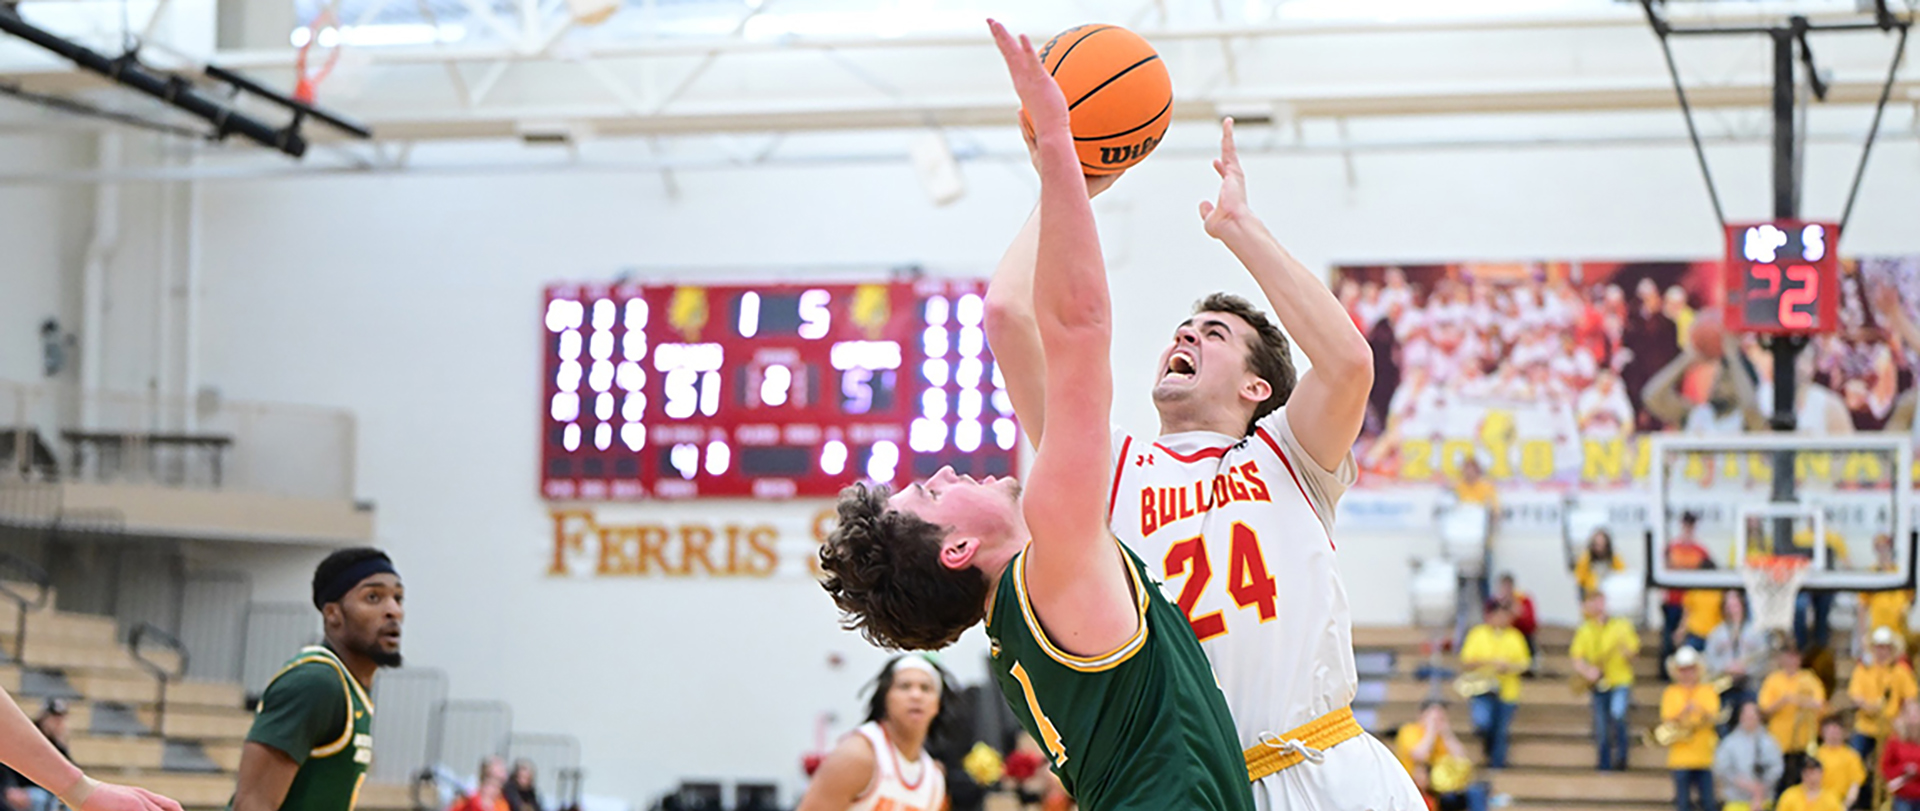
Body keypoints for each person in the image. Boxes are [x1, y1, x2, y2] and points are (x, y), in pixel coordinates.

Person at [817, 22, 1256, 811]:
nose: (945, 471)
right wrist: (1056, 139)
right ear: (956, 545)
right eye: (929, 491)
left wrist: (1076, 182)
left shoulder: (1024, 609)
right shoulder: (1053, 550)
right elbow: (1078, 326)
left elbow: (1008, 313)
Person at [983, 45, 1421, 811]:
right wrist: (1069, 176)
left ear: (1259, 386)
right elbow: (1010, 317)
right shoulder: (1107, 469)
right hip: (1205, 788)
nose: (1184, 336)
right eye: (1182, 328)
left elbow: (1349, 361)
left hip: (1332, 767)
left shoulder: (1290, 456)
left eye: (1212, 332)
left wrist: (1240, 228)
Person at [229, 548, 404, 811]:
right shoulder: (316, 682)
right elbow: (253, 804)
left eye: (398, 598)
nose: (393, 610)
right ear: (333, 613)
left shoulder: (350, 687)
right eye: (373, 597)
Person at [796, 655, 951, 811]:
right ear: (885, 697)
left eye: (926, 688)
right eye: (904, 686)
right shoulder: (858, 754)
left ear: (938, 704)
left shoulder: (934, 779)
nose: (916, 695)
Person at [0, 687, 179, 811]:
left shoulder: (59, 744)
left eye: (61, 718)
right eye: (54, 718)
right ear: (44, 717)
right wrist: (82, 791)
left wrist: (85, 789)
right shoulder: (30, 736)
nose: (58, 723)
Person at [1570, 591, 1639, 771]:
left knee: (1618, 714)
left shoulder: (1622, 625)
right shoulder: (1585, 629)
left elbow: (1633, 652)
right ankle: (1604, 763)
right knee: (1601, 726)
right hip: (1598, 682)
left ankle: (1622, 757)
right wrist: (1588, 671)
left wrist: (1627, 653)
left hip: (1620, 680)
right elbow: (1577, 659)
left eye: (1597, 602)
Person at [1460, 603, 1529, 769]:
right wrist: (1491, 663)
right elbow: (1467, 661)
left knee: (1501, 730)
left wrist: (1508, 667)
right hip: (1482, 688)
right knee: (1483, 723)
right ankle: (1486, 750)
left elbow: (1524, 663)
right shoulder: (1478, 634)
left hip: (1507, 690)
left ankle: (1497, 764)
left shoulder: (1515, 636)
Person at [1847, 626, 1918, 783]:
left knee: (1890, 764)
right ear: (1873, 648)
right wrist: (1869, 707)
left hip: (1890, 727)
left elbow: (1910, 699)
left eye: (1886, 647)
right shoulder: (1863, 669)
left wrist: (1903, 719)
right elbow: (1855, 696)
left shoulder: (1901, 671)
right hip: (1866, 725)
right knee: (1854, 758)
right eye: (1879, 647)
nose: (1882, 651)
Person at [1759, 636, 1826, 793]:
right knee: (1779, 784)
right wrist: (1783, 701)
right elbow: (1764, 709)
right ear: (1781, 659)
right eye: (1788, 656)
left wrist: (1796, 700)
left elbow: (1820, 703)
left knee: (1799, 783)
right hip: (1779, 741)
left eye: (1794, 656)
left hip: (1803, 740)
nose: (1791, 660)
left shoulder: (1809, 678)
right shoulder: (1773, 680)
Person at [1393, 701, 1488, 811]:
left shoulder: (1442, 736)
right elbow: (1419, 756)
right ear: (1421, 715)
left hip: (1441, 786)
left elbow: (1462, 759)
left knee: (1475, 792)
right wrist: (1430, 732)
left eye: (1441, 718)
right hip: (1417, 785)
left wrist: (1447, 734)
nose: (1437, 721)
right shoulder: (1409, 731)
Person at [1663, 646, 1722, 811]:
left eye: (1690, 669)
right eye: (1683, 670)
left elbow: (1714, 716)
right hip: (1680, 758)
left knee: (1709, 803)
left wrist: (1697, 709)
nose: (1687, 673)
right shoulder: (1671, 692)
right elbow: (1668, 720)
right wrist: (1684, 711)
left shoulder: (1707, 690)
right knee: (1683, 804)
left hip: (1704, 756)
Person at [1705, 591, 1768, 730]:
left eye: (1735, 605)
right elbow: (1709, 659)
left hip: (1748, 683)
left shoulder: (1755, 632)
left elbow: (1763, 658)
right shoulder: (1716, 633)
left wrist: (1746, 669)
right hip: (1723, 684)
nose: (1732, 609)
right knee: (1721, 721)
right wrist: (1725, 667)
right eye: (1729, 605)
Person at [1665, 515, 1716, 680]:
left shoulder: (1700, 550)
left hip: (1691, 604)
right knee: (1673, 642)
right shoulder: (1673, 547)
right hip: (1674, 598)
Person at [1714, 703, 1783, 811]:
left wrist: (1760, 789)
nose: (1750, 719)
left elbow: (1777, 767)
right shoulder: (1729, 742)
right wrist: (1744, 784)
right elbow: (1722, 769)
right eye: (1746, 716)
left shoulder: (1770, 742)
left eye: (1753, 716)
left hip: (1764, 801)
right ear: (1741, 717)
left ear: (1759, 717)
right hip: (1736, 801)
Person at [1814, 717, 1866, 809]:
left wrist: (1844, 806)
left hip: (1841, 802)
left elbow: (1855, 785)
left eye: (1836, 731)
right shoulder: (1816, 755)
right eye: (1830, 731)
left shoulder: (1852, 756)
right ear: (1823, 733)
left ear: (1843, 733)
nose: (1833, 735)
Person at [1488, 574, 1537, 672]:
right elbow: (1488, 620)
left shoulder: (1523, 600)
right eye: (1503, 587)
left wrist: (1517, 613)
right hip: (1499, 636)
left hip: (1520, 635)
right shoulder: (1493, 602)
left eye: (1508, 587)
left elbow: (1531, 625)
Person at [1882, 701, 1920, 811]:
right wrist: (1903, 769)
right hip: (1903, 795)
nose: (1913, 718)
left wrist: (1917, 770)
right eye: (1910, 714)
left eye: (1916, 714)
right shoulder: (1895, 740)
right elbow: (1885, 766)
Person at [1573, 529, 1625, 601]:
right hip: (1592, 597)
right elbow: (1580, 580)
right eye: (1597, 545)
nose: (1600, 548)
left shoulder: (1614, 558)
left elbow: (1622, 575)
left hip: (1610, 597)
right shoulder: (1585, 559)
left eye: (1602, 544)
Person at [1777, 761, 1844, 811]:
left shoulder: (1831, 798)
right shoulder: (1790, 795)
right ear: (1802, 775)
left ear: (1821, 773)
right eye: (1807, 774)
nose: (1812, 778)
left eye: (1814, 773)